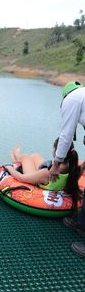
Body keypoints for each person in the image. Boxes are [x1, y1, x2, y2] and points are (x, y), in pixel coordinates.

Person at [48, 81, 85, 258]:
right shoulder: (82, 97)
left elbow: (66, 135)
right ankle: (82, 224)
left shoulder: (72, 99)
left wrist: (56, 164)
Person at [4, 138, 80, 206]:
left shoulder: (47, 173)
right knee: (35, 156)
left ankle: (17, 158)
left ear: (56, 151)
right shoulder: (73, 168)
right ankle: (18, 158)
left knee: (26, 157)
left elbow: (21, 178)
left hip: (40, 180)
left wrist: (8, 167)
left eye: (53, 148)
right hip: (51, 181)